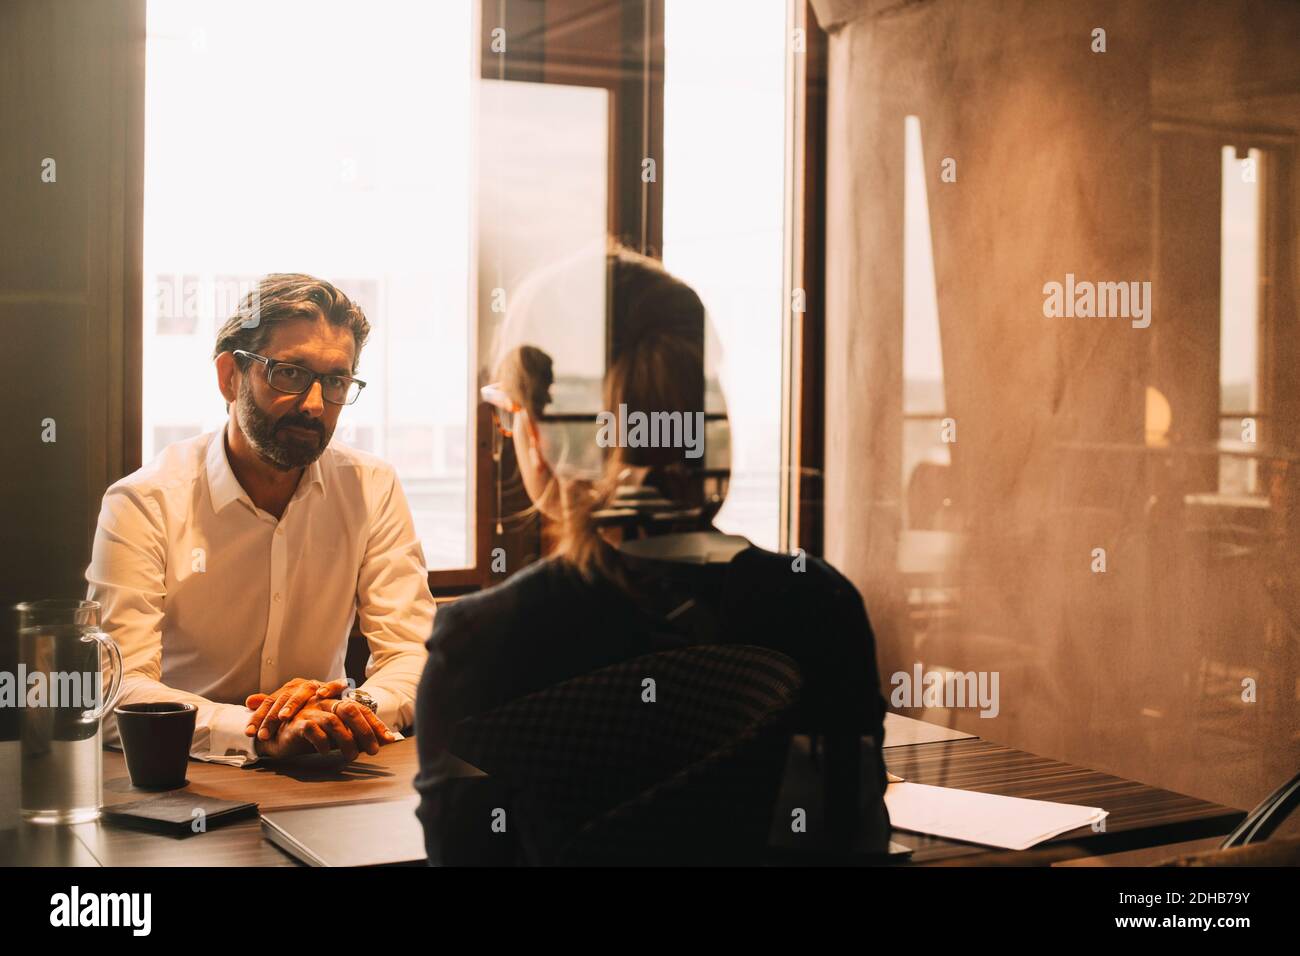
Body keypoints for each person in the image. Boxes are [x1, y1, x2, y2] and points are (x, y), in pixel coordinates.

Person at [414, 245, 889, 863]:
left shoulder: (482, 641)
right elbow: (855, 840)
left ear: (539, 432)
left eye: (506, 417)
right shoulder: (821, 601)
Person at [86, 274, 434, 765]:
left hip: (327, 768)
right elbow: (113, 687)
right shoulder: (144, 502)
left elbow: (412, 654)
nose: (315, 405)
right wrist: (260, 732)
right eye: (290, 373)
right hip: (186, 776)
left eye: (335, 381)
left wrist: (350, 710)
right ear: (230, 376)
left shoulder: (370, 487)